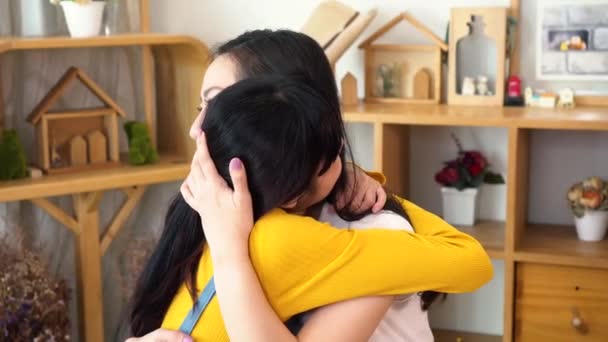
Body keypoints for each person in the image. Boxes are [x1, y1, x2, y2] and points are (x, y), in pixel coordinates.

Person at [128, 30, 492, 341]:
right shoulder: (229, 214)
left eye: (219, 103)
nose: (197, 129)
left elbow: (471, 262)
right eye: (202, 105)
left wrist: (229, 250)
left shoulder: (367, 231)